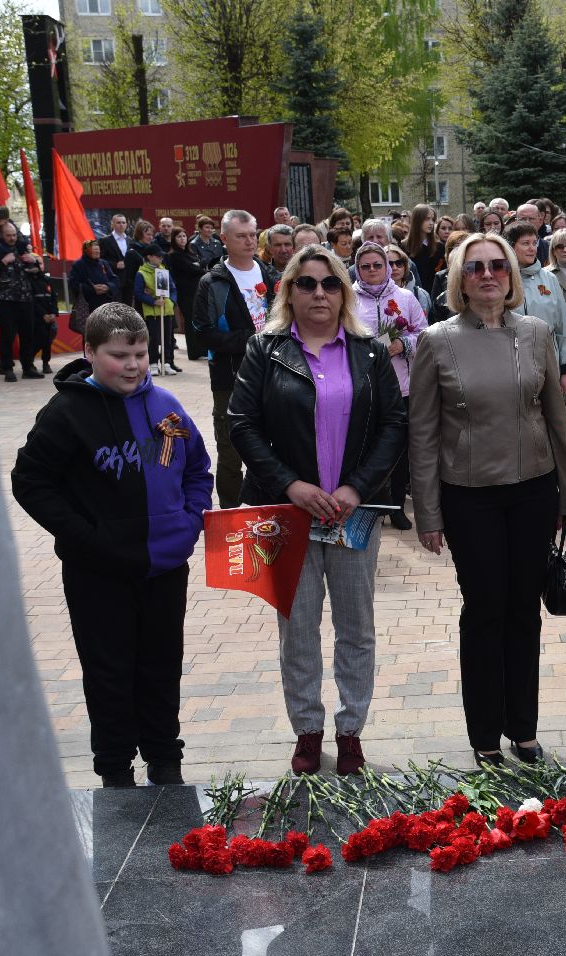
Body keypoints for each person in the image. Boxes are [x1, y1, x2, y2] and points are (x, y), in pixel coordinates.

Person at [10, 302, 212, 787]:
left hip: (165, 567)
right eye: (119, 355)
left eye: (140, 353)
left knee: (161, 668)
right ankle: (115, 770)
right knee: (109, 673)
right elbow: (30, 481)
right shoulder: (66, 412)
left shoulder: (166, 404)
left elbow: (197, 470)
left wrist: (188, 523)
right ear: (90, 351)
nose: (133, 365)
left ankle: (166, 760)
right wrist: (84, 537)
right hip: (98, 572)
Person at [227, 245, 407, 776]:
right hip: (289, 514)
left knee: (356, 627)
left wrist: (355, 487)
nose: (319, 293)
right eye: (306, 284)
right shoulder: (266, 350)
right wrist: (290, 484)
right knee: (297, 627)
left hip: (353, 515)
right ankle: (307, 730)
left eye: (330, 283)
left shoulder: (370, 352)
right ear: (288, 292)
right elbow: (242, 424)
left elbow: (394, 426)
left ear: (344, 291)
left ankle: (351, 732)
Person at [408, 233, 566, 767]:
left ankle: (523, 729)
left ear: (511, 277)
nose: (488, 275)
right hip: (469, 497)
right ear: (460, 278)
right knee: (484, 611)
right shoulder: (436, 341)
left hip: (533, 491)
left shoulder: (535, 333)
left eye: (498, 267)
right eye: (476, 267)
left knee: (524, 612)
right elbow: (423, 433)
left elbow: (557, 415)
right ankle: (485, 734)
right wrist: (428, 512)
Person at [193, 209, 280, 508]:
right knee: (230, 452)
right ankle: (229, 515)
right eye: (241, 236)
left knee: (270, 445)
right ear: (224, 239)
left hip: (269, 374)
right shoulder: (212, 282)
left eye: (252, 235)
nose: (249, 241)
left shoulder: (266, 273)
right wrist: (251, 339)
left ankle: (267, 509)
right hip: (229, 378)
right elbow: (202, 332)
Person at [352, 242, 428, 530]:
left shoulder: (406, 297)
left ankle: (397, 506)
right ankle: (372, 505)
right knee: (366, 448)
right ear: (357, 269)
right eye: (365, 266)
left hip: (400, 385)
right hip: (362, 385)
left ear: (387, 267)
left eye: (377, 265)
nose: (372, 270)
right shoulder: (349, 298)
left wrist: (402, 343)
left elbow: (424, 333)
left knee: (397, 449)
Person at [508, 221, 566, 391]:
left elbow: (564, 327)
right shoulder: (502, 279)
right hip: (512, 366)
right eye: (525, 243)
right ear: (511, 247)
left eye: (534, 242)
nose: (532, 248)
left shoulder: (549, 279)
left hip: (549, 363)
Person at [0, 219, 44, 382]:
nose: (12, 238)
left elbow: (36, 273)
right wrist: (3, 262)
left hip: (25, 298)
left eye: (13, 235)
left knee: (28, 334)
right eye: (8, 235)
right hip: (6, 299)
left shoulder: (21, 250)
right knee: (7, 335)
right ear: (1, 235)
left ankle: (28, 367)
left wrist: (35, 263)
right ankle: (7, 368)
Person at [136, 244, 179, 376]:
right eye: (157, 255)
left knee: (167, 338)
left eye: (161, 256)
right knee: (153, 338)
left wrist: (171, 301)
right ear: (149, 257)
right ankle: (153, 364)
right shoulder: (141, 273)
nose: (161, 258)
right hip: (152, 312)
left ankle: (166, 363)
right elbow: (138, 293)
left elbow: (173, 289)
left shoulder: (164, 271)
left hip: (166, 310)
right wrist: (153, 301)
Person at [166, 227, 205, 345]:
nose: (182, 239)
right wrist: (197, 265)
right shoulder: (174, 255)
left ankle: (201, 347)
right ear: (174, 239)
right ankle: (194, 350)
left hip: (197, 289)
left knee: (199, 318)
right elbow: (191, 269)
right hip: (185, 291)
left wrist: (198, 264)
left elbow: (204, 261)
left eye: (184, 236)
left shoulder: (191, 251)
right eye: (179, 237)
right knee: (190, 319)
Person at [68, 239, 119, 318]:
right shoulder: (78, 265)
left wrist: (108, 287)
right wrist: (92, 289)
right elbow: (73, 284)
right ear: (87, 251)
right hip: (89, 307)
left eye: (98, 249)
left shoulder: (104, 263)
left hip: (106, 307)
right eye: (94, 250)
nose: (97, 252)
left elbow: (115, 280)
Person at [386, 242, 435, 321]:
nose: (394, 268)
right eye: (389, 264)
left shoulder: (420, 294)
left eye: (399, 263)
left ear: (405, 266)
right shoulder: (376, 295)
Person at [407, 203, 443, 290]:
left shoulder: (439, 247)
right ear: (417, 220)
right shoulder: (405, 246)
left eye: (433, 219)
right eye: (427, 219)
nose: (431, 223)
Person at [100, 213, 131, 278]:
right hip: (112, 277)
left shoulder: (130, 240)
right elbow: (100, 260)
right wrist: (115, 265)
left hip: (129, 279)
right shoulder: (104, 240)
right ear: (113, 224)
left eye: (123, 222)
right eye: (118, 222)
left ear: (126, 224)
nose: (121, 225)